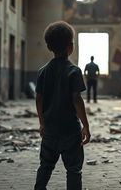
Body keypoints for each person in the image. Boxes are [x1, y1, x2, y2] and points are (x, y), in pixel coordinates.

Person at [34, 21, 91, 190]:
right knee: (74, 170)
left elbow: (39, 99)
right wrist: (85, 126)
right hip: (70, 131)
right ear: (70, 46)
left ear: (49, 46)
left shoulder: (42, 71)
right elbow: (76, 100)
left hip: (50, 130)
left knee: (45, 166)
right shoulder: (74, 71)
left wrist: (42, 123)